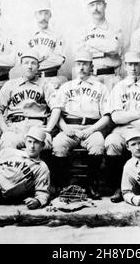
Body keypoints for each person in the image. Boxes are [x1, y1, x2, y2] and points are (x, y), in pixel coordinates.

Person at [49, 50, 112, 199]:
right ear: (75, 67)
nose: (82, 67)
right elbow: (57, 113)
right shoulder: (66, 87)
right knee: (58, 143)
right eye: (78, 64)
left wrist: (91, 130)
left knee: (98, 144)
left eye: (85, 64)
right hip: (69, 127)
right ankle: (64, 185)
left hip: (92, 127)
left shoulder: (101, 87)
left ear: (91, 66)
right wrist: (65, 128)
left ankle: (91, 184)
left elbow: (107, 117)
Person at [105, 50, 140, 202]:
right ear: (125, 66)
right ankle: (118, 187)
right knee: (111, 143)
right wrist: (139, 113)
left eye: (136, 64)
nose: (133, 68)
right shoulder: (118, 87)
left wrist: (128, 119)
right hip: (121, 129)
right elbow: (115, 118)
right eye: (130, 64)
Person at [0, 47, 56, 150]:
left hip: (37, 125)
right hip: (15, 126)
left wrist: (48, 128)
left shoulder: (45, 84)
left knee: (45, 143)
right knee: (7, 142)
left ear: (38, 66)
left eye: (33, 63)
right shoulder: (10, 85)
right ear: (20, 65)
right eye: (26, 63)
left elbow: (56, 107)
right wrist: (5, 129)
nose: (29, 66)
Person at [76, 0, 123, 90]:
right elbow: (79, 53)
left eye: (99, 4)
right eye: (92, 5)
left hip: (110, 77)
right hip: (89, 77)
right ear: (88, 8)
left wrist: (90, 43)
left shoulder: (115, 29)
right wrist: (105, 49)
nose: (96, 8)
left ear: (105, 6)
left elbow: (114, 48)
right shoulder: (83, 31)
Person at [17, 0, 67, 90]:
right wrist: (45, 58)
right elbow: (21, 61)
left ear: (50, 15)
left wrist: (34, 62)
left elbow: (59, 60)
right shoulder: (26, 36)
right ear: (35, 15)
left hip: (51, 79)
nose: (43, 17)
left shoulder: (58, 36)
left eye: (46, 13)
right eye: (40, 13)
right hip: (31, 80)